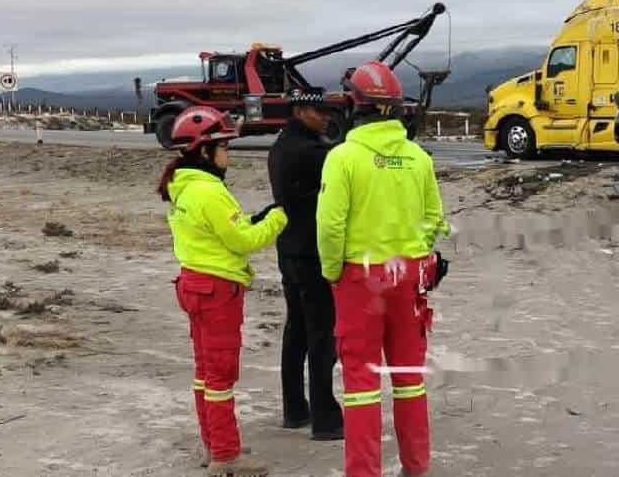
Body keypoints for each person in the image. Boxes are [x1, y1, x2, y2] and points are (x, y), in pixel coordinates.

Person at [317, 61, 450, 477]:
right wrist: (417, 257)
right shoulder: (418, 158)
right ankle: (416, 466)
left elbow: (330, 225)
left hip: (360, 279)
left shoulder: (343, 158)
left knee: (361, 386)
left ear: (355, 106)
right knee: (410, 378)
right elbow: (435, 219)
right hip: (409, 278)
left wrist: (332, 270)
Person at [158, 106, 287, 477]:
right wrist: (278, 218)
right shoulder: (208, 191)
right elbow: (243, 241)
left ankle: (214, 441)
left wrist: (254, 219)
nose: (227, 155)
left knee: (205, 373)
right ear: (204, 152)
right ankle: (226, 456)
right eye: (224, 148)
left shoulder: (184, 186)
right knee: (221, 376)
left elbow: (222, 232)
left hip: (194, 284)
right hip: (217, 291)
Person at [267, 87, 344, 440]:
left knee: (296, 329)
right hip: (312, 252)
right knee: (321, 333)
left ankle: (295, 409)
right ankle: (326, 419)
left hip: (289, 248)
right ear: (300, 111)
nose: (326, 117)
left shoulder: (282, 145)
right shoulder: (311, 152)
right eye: (319, 112)